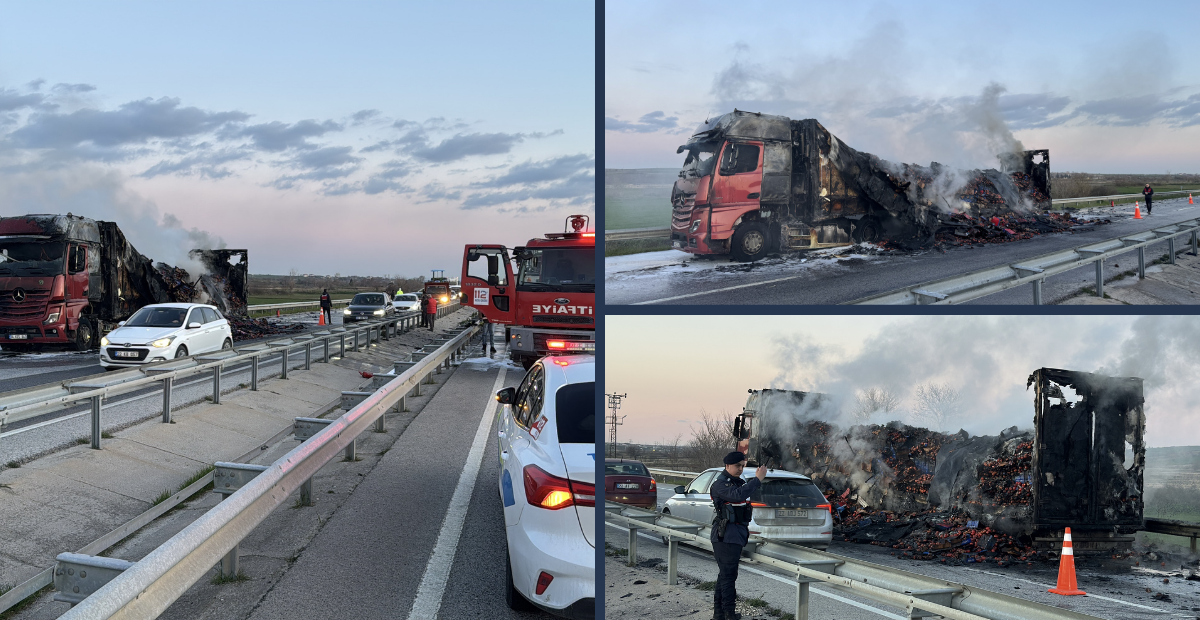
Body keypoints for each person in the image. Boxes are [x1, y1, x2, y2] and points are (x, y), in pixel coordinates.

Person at [709, 452, 767, 620]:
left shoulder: (738, 482)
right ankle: (729, 614)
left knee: (725, 575)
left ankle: (719, 614)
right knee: (728, 576)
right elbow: (738, 495)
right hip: (725, 535)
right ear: (727, 466)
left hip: (736, 535)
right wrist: (757, 479)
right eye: (737, 466)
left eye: (743, 466)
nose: (741, 469)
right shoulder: (720, 484)